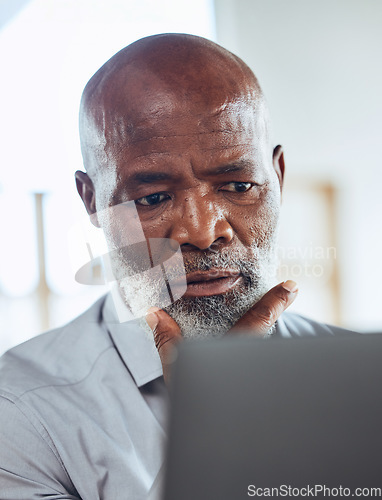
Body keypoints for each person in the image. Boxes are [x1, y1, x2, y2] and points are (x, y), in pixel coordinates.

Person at [0, 33, 356, 499]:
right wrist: (215, 436)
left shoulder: (365, 386)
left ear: (279, 177)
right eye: (152, 198)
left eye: (239, 185)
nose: (204, 232)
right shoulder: (21, 412)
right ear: (91, 200)